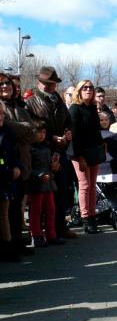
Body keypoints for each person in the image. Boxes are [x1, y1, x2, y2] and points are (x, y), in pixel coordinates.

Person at [26, 66, 76, 241]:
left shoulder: (58, 100)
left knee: (61, 191)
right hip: (40, 153)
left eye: (54, 83)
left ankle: (58, 229)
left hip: (59, 152)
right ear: (41, 82)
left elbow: (68, 122)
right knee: (40, 197)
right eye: (49, 83)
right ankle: (38, 233)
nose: (52, 86)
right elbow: (33, 128)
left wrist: (68, 134)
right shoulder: (31, 101)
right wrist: (51, 138)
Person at [0, 73, 35, 255]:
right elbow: (9, 129)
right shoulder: (1, 107)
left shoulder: (19, 107)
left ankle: (17, 239)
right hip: (6, 164)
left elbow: (33, 133)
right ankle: (9, 244)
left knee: (17, 206)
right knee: (6, 208)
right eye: (2, 84)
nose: (5, 86)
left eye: (8, 83)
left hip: (22, 162)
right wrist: (25, 128)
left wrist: (23, 128)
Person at [69, 80, 105, 234]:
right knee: (84, 185)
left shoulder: (92, 108)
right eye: (85, 87)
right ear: (79, 90)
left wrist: (102, 144)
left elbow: (96, 131)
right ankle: (85, 218)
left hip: (94, 152)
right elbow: (75, 136)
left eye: (91, 88)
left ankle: (92, 216)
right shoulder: (74, 109)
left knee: (92, 186)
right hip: (80, 153)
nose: (88, 90)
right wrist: (79, 156)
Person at [28, 122, 65, 247]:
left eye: (44, 132)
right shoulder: (29, 148)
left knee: (50, 209)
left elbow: (50, 165)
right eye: (39, 132)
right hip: (36, 184)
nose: (41, 135)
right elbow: (28, 167)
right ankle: (36, 235)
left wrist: (55, 167)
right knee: (36, 210)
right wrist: (38, 175)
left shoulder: (46, 147)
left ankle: (51, 235)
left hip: (48, 182)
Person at [0, 102, 22, 261]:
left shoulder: (7, 132)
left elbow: (14, 153)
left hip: (5, 178)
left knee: (4, 215)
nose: (1, 116)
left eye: (1, 113)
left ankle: (8, 249)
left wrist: (16, 166)